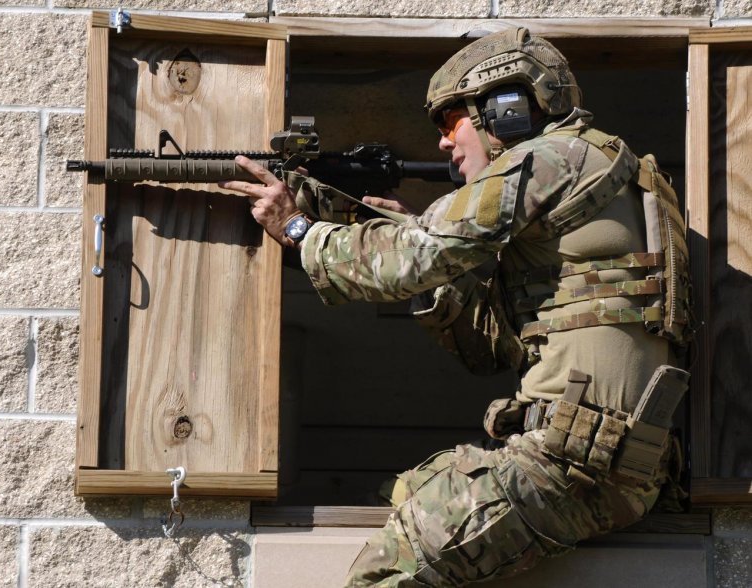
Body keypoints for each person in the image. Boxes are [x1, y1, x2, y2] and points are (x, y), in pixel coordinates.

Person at [220, 27, 693, 587]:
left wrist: (300, 230)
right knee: (404, 496)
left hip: (567, 466)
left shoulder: (550, 158)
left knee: (381, 574)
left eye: (450, 122)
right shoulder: (612, 172)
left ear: (507, 109)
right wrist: (395, 230)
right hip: (614, 468)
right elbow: (488, 345)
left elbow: (417, 259)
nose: (444, 144)